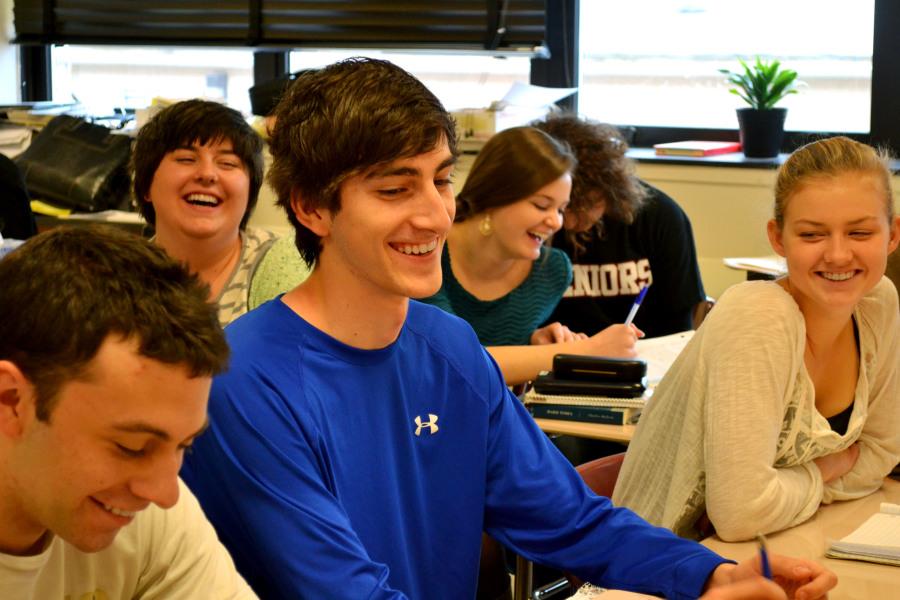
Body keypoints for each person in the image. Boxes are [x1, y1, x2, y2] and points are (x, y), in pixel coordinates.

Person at [181, 57, 836, 600]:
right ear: (311, 208)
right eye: (393, 189)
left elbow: (569, 520)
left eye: (440, 180)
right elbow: (344, 592)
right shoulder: (245, 379)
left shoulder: (448, 347)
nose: (435, 215)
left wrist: (711, 574)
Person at [614, 136, 900, 542]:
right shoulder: (758, 315)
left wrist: (786, 494)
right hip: (662, 561)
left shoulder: (878, 301)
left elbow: (880, 456)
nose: (838, 255)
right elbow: (741, 515)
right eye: (813, 235)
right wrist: (824, 470)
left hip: (782, 542)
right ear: (778, 238)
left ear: (892, 235)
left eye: (859, 233)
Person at [0, 226, 255, 598]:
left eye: (185, 444)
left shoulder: (147, 514)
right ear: (11, 400)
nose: (165, 494)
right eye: (132, 447)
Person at [420, 126, 640, 385]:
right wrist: (588, 351)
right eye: (542, 205)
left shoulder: (551, 272)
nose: (555, 222)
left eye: (561, 209)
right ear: (494, 195)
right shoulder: (427, 249)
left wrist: (534, 341)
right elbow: (452, 363)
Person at [133, 98, 309, 326]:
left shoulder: (282, 266)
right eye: (186, 159)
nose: (207, 174)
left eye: (227, 163)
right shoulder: (118, 279)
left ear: (249, 192)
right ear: (146, 184)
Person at [533, 114, 706, 338]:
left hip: (643, 357)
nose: (570, 221)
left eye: (589, 204)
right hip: (553, 358)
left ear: (612, 188)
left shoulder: (660, 216)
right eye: (565, 207)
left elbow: (679, 325)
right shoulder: (535, 226)